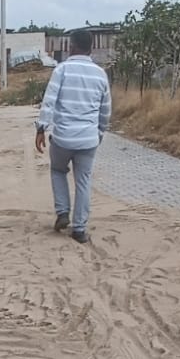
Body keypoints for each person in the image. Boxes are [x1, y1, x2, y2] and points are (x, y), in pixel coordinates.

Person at [34, 27, 111, 244]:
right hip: (88, 139)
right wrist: (100, 132)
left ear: (71, 46)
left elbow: (49, 101)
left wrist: (41, 128)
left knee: (58, 170)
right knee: (83, 180)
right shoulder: (100, 74)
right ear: (91, 48)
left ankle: (62, 213)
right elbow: (105, 110)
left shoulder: (62, 70)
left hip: (63, 138)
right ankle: (79, 229)